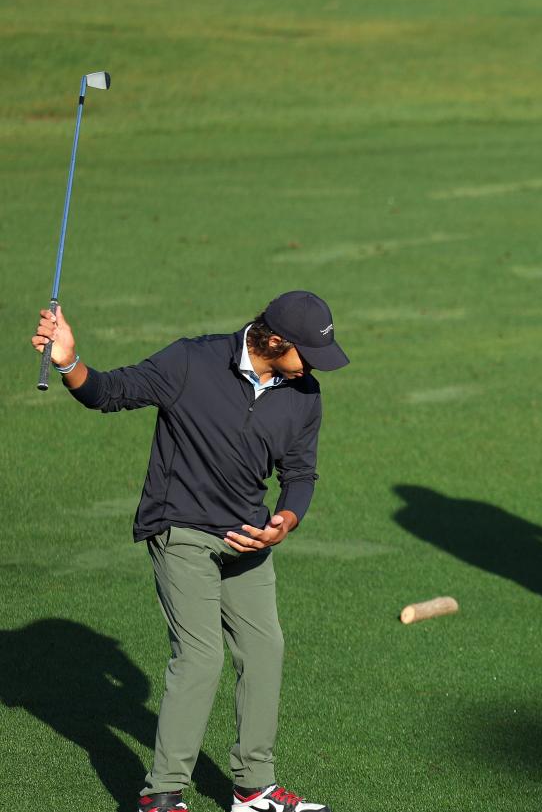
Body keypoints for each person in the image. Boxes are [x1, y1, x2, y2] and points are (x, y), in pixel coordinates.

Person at [32, 291, 347, 812]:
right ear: (274, 341)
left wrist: (285, 522)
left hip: (247, 538)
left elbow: (300, 474)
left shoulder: (303, 394)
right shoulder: (190, 362)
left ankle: (253, 789)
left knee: (265, 649)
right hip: (180, 529)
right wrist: (68, 359)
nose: (314, 368)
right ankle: (162, 796)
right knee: (201, 658)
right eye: (307, 355)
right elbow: (110, 393)